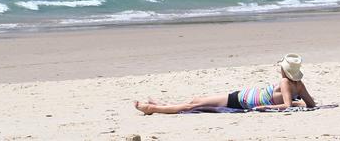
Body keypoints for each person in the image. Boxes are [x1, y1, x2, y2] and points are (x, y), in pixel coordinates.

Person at [134, 53, 315, 115]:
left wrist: (266, 106)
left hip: (240, 101)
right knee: (197, 101)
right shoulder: (298, 84)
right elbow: (311, 104)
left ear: (284, 70)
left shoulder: (285, 81)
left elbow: (286, 106)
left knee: (193, 104)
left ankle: (152, 108)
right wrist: (300, 103)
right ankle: (163, 106)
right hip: (243, 98)